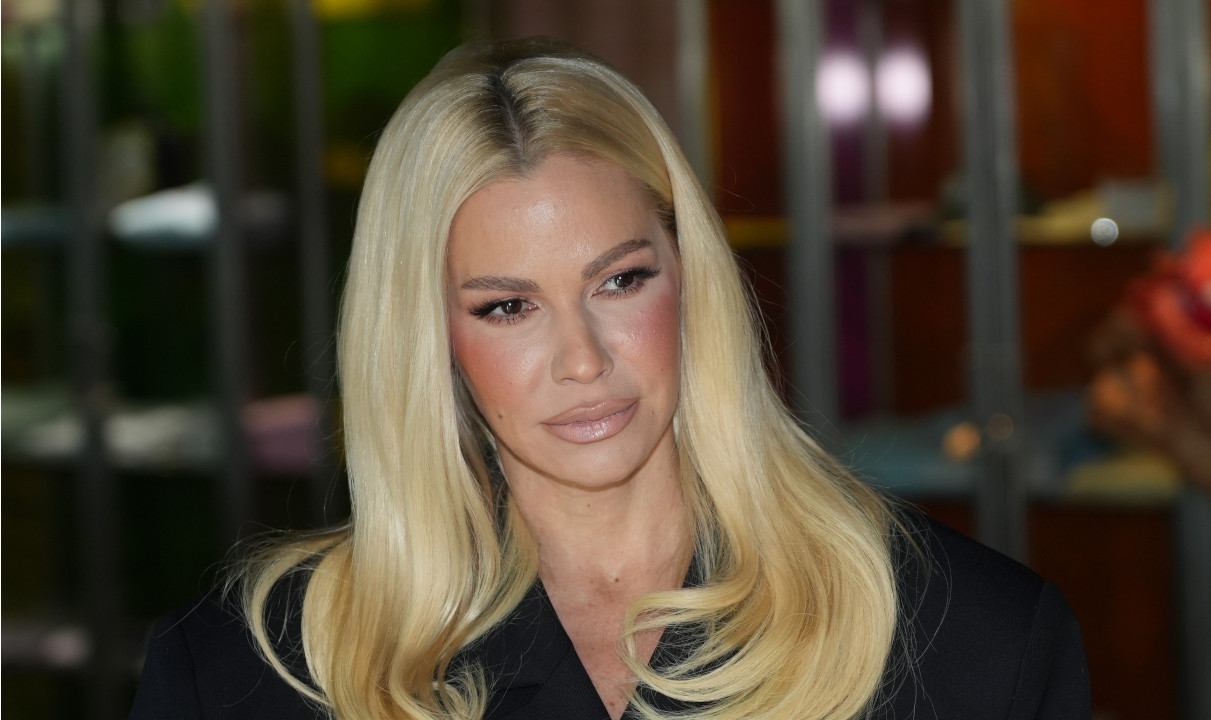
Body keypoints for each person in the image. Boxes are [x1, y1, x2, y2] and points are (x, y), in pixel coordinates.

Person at [128, 37, 1090, 720]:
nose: (583, 359)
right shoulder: (243, 677)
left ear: (691, 276)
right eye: (507, 306)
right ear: (425, 340)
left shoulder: (975, 641)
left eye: (621, 281)